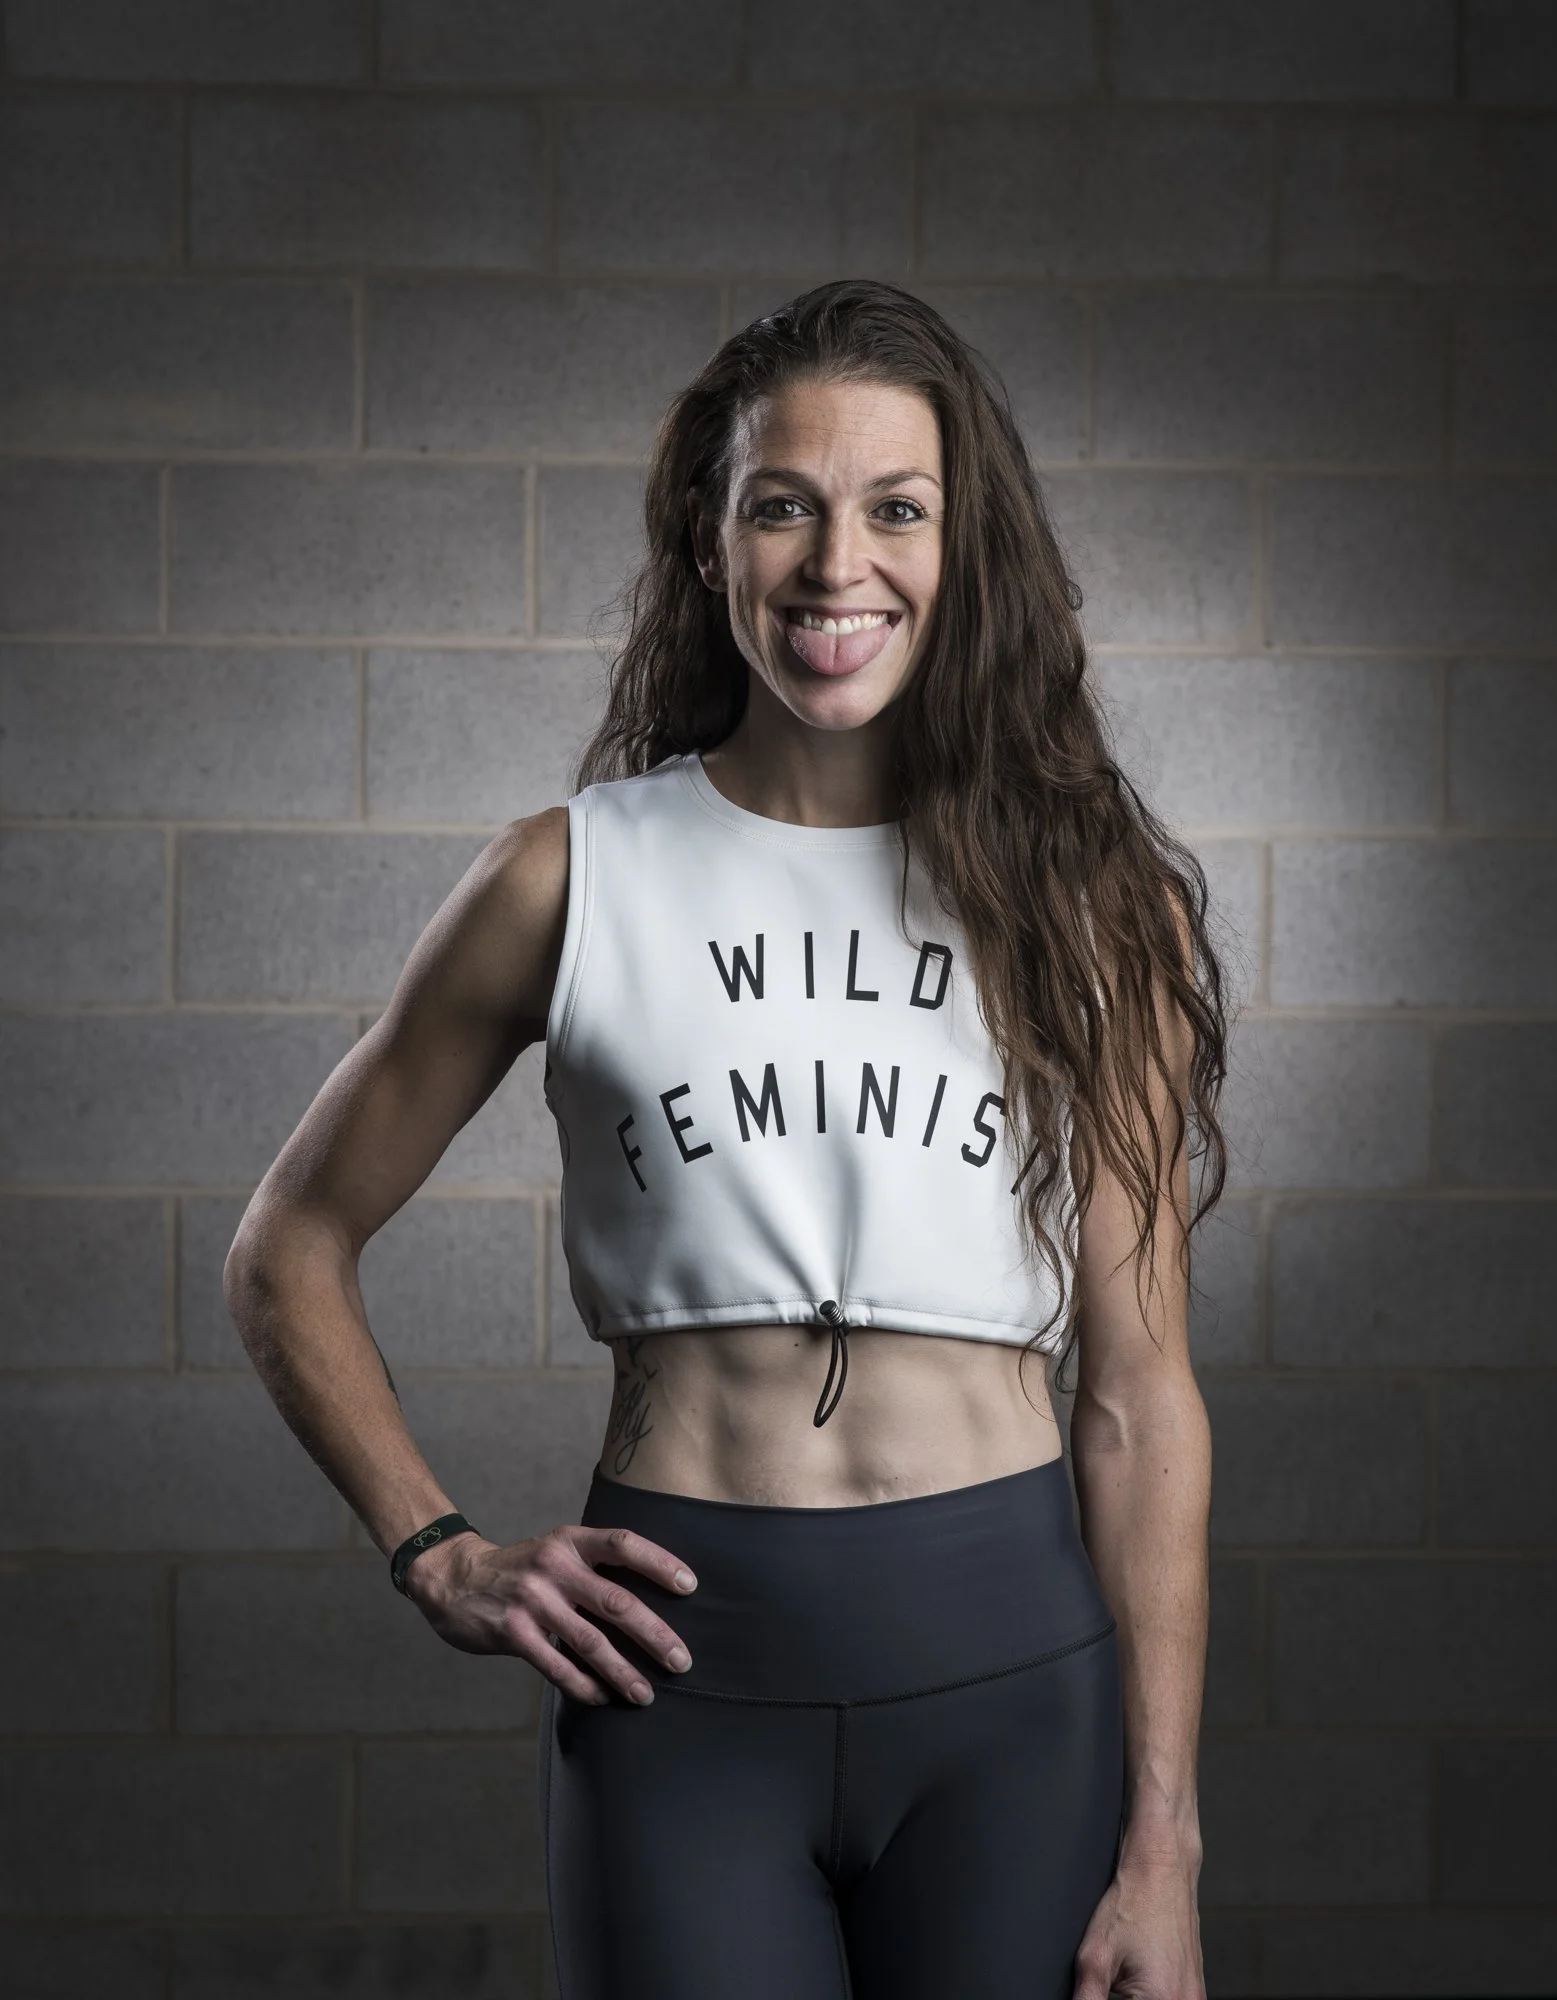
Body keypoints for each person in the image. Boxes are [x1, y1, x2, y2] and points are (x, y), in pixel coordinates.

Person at [226, 278, 1229, 2000]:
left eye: (897, 509)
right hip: (678, 1691)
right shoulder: (569, 874)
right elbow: (284, 1252)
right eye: (785, 505)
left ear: (959, 548)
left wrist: (1165, 1835)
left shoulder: (1086, 898)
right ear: (712, 544)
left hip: (1011, 1692)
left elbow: (1138, 1393)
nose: (841, 563)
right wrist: (436, 1548)